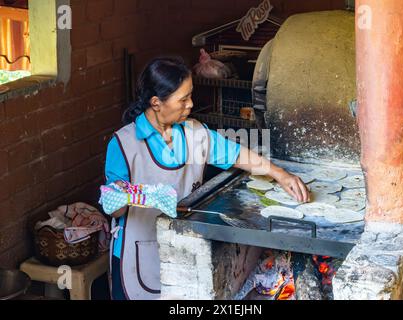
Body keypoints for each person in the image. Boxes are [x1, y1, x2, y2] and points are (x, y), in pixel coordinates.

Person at [104, 56, 310, 300]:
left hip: (185, 247)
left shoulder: (194, 133)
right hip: (136, 254)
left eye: (190, 96)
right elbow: (114, 211)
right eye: (183, 99)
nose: (190, 104)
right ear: (157, 103)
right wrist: (124, 195)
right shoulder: (123, 144)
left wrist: (279, 173)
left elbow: (235, 154)